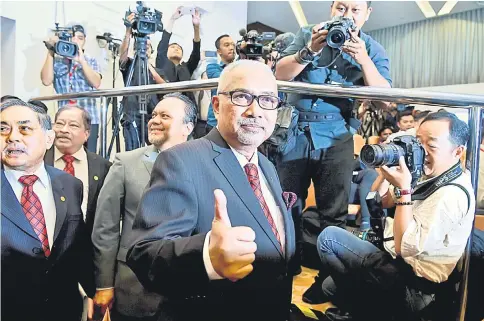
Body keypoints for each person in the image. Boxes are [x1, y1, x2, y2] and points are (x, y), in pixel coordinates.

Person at [126, 60, 296, 321]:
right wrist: (206, 256)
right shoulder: (181, 160)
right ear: (216, 105)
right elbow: (144, 254)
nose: (255, 110)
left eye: (268, 100)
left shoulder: (266, 166)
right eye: (242, 97)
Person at [274, 0, 392, 303]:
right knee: (286, 207)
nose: (347, 16)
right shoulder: (306, 33)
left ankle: (327, 279)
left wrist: (364, 61)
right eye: (341, 7)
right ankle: (284, 270)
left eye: (355, 10)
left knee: (334, 214)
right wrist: (308, 51)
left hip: (338, 137)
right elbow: (280, 76)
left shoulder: (373, 48)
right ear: (331, 9)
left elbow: (386, 102)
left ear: (367, 14)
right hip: (295, 134)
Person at [317, 112, 475, 320]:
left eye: (432, 146)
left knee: (329, 238)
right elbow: (378, 200)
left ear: (457, 152)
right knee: (330, 287)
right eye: (419, 143)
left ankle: (374, 311)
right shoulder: (426, 174)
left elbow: (404, 247)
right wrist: (385, 170)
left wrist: (404, 190)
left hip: (415, 288)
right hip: (395, 264)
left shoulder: (450, 194)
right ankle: (370, 309)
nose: (422, 151)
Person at [91, 93, 196, 321]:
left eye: (165, 116)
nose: (154, 120)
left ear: (187, 127)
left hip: (186, 291)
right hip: (133, 287)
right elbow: (105, 229)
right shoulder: (125, 163)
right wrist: (104, 285)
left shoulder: (203, 165)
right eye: (154, 114)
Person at [1, 99, 95, 321]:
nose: (12, 137)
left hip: (63, 310)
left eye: (25, 128)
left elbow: (77, 245)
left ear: (48, 138)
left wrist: (92, 291)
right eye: (3, 128)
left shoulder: (69, 184)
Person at [44, 105, 111, 236]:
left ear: (86, 134)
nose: (64, 130)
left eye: (73, 125)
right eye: (59, 124)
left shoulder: (103, 167)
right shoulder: (38, 160)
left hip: (85, 245)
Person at [40, 24, 102, 153]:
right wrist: (51, 50)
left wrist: (81, 61)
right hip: (65, 119)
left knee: (88, 156)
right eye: (72, 37)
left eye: (80, 38)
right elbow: (46, 80)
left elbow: (96, 83)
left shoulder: (91, 60)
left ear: (84, 40)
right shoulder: (57, 61)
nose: (75, 41)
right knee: (64, 154)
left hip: (89, 117)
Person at [120, 14, 167, 151]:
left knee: (154, 152)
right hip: (132, 112)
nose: (144, 47)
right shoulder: (130, 65)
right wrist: (128, 31)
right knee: (133, 152)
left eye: (148, 46)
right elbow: (122, 57)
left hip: (152, 113)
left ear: (151, 51)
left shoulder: (157, 70)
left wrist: (147, 65)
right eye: (142, 46)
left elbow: (164, 87)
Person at [156, 7, 201, 104]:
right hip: (165, 104)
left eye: (179, 48)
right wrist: (172, 20)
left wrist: (196, 27)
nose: (176, 49)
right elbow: (163, 43)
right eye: (172, 47)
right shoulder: (162, 62)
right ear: (166, 52)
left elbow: (196, 53)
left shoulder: (187, 67)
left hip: (186, 106)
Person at [205, 34, 236, 133]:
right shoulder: (212, 67)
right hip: (215, 122)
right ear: (219, 51)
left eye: (233, 45)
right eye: (227, 45)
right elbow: (227, 81)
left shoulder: (243, 66)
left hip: (235, 121)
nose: (231, 48)